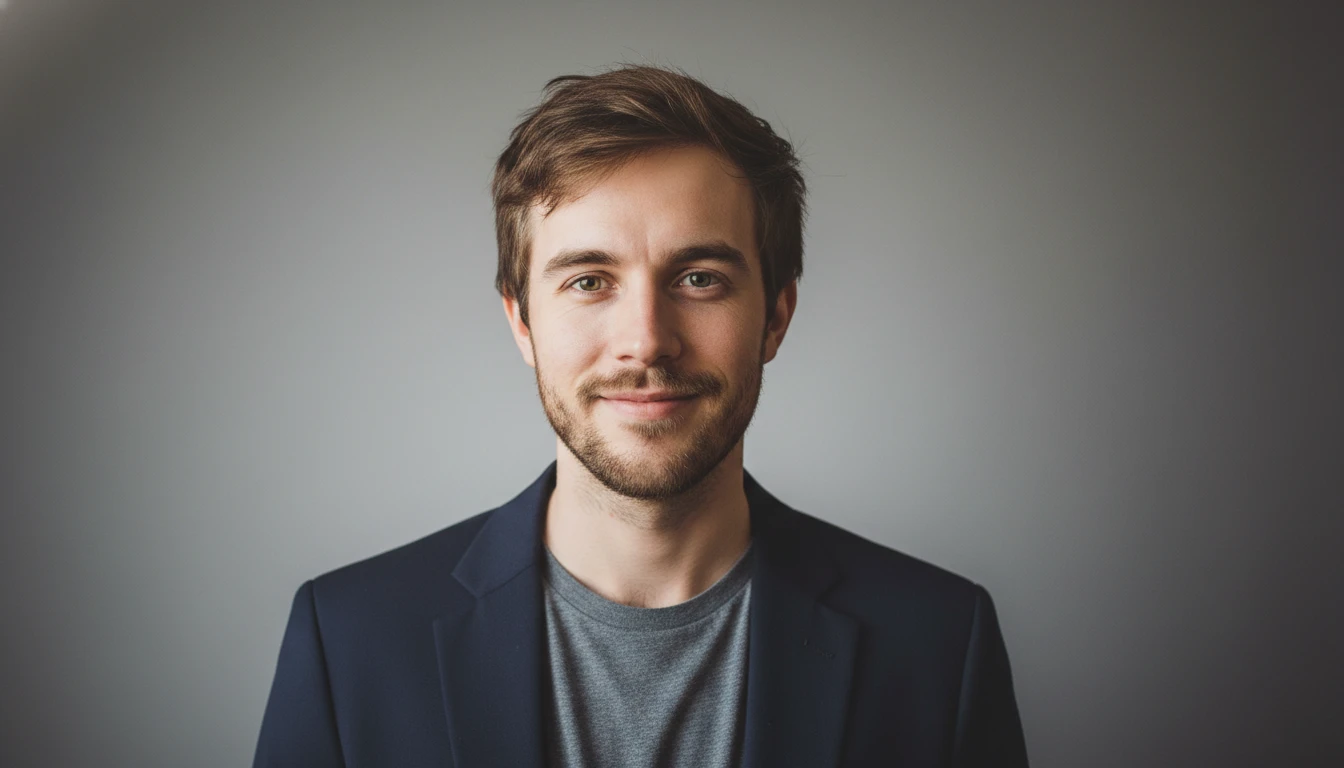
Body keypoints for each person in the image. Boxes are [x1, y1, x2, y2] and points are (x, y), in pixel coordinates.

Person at [253, 64, 1029, 768]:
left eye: (699, 278)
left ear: (776, 315)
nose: (647, 341)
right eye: (589, 281)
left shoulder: (937, 644)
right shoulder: (349, 642)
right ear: (521, 321)